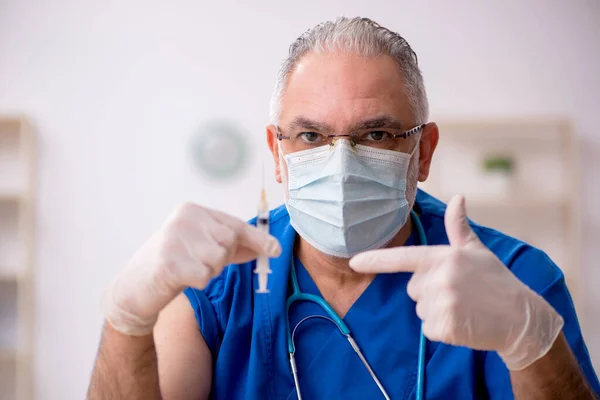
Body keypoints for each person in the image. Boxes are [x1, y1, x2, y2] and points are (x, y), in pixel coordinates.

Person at [88, 17, 600, 399]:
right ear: (277, 154)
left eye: (375, 134)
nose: (340, 164)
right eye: (310, 135)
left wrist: (529, 342)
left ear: (422, 152)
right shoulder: (219, 286)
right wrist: (126, 318)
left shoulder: (511, 283)